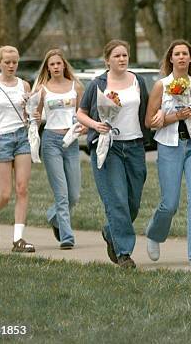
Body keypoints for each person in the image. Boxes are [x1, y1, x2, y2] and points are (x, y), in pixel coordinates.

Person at [76, 40, 150, 269]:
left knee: (133, 202)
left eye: (125, 55)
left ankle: (111, 230)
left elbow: (147, 110)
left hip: (135, 146)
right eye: (117, 56)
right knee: (117, 199)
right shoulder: (98, 84)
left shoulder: (138, 81)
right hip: (109, 147)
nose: (122, 59)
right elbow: (81, 112)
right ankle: (124, 254)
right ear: (107, 60)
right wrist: (95, 126)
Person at [145, 40, 191, 267]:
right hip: (170, 145)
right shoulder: (162, 85)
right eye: (177, 54)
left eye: (185, 54)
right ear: (171, 59)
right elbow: (149, 121)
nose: (181, 57)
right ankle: (155, 234)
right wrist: (174, 117)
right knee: (170, 203)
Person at [0, 45, 34, 253]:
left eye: (15, 62)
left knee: (22, 189)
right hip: (0, 138)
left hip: (22, 137)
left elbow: (30, 114)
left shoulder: (25, 85)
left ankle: (18, 239)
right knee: (5, 193)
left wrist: (32, 113)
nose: (11, 66)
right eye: (7, 62)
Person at [32, 49, 84, 250]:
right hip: (51, 141)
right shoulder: (42, 89)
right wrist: (34, 123)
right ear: (47, 67)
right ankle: (67, 236)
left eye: (58, 64)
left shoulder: (76, 87)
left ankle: (53, 217)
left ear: (64, 65)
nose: (55, 67)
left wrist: (85, 127)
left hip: (71, 142)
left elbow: (83, 114)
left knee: (74, 195)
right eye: (51, 64)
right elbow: (34, 116)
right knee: (61, 194)